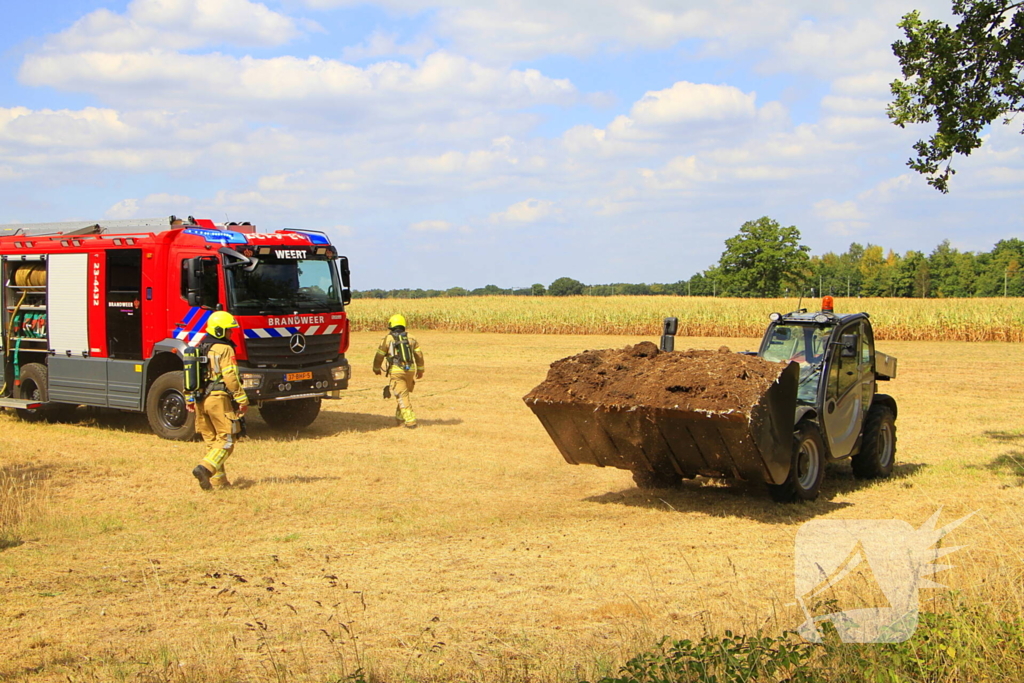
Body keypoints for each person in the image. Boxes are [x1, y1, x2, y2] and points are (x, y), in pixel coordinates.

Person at [188, 311, 250, 490]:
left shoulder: (200, 346)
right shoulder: (225, 349)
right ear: (219, 331)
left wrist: (189, 398)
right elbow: (230, 376)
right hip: (218, 399)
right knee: (227, 439)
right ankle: (205, 468)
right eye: (229, 330)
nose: (231, 334)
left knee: (213, 442)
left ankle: (219, 480)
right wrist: (242, 398)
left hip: (200, 399)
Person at [372, 314, 425, 428]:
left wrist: (376, 368)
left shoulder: (388, 339)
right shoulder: (412, 337)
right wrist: (420, 369)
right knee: (403, 393)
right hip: (410, 369)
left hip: (396, 370)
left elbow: (379, 355)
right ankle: (400, 417)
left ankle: (410, 421)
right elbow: (419, 355)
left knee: (402, 395)